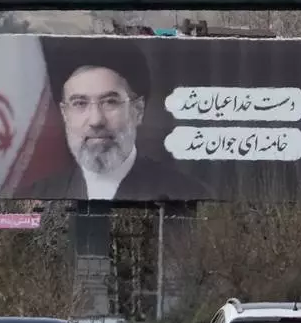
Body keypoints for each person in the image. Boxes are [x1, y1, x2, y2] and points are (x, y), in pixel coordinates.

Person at [17, 38, 210, 201]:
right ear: (65, 114)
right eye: (80, 103)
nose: (96, 120)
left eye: (110, 102)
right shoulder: (34, 197)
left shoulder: (188, 195)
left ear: (138, 111)